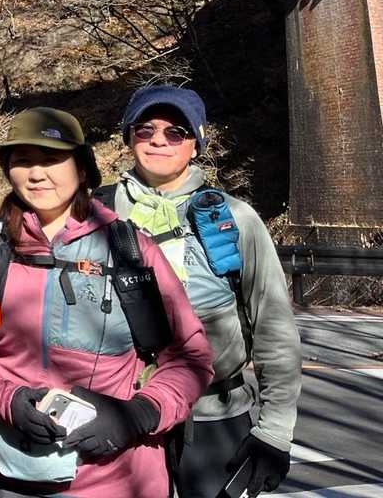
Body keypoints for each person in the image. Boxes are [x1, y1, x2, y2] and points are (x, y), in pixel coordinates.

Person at [0, 107, 213, 498]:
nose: (36, 174)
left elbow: (190, 356)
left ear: (82, 169)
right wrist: (8, 400)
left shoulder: (129, 249)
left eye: (52, 159)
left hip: (122, 478)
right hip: (15, 475)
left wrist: (137, 414)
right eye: (22, 161)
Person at [97, 86, 301, 498]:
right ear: (129, 137)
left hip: (214, 417)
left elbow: (274, 327)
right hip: (119, 415)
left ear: (196, 144)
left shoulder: (233, 219)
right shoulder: (94, 214)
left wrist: (275, 431)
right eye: (145, 129)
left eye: (176, 132)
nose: (158, 140)